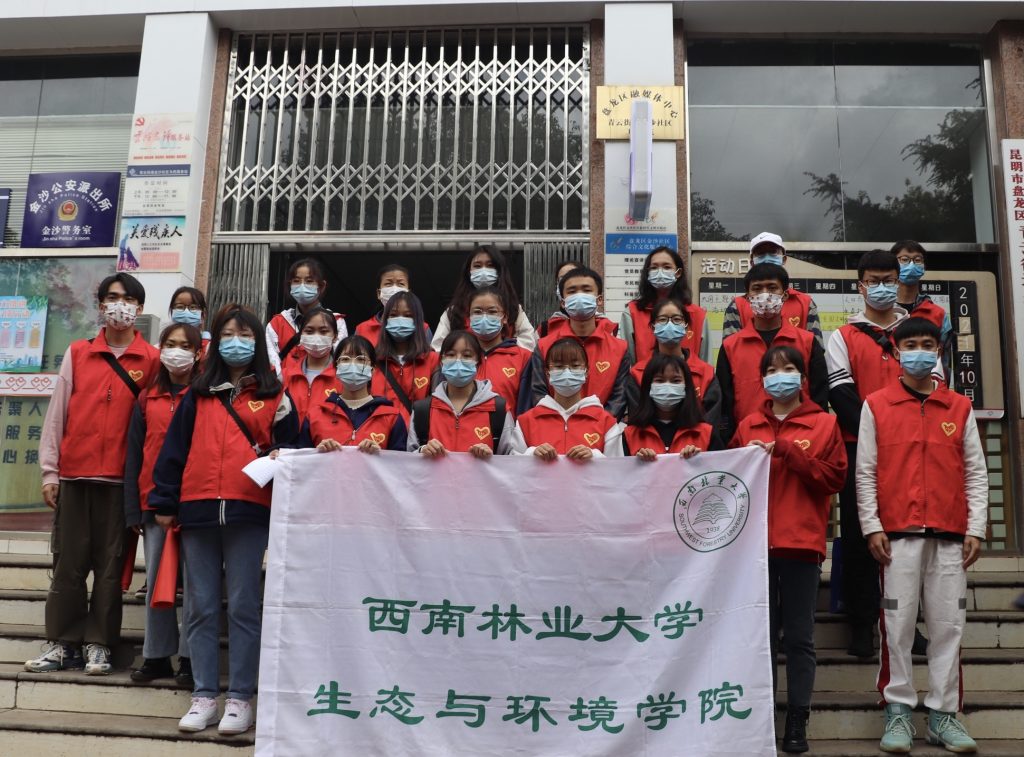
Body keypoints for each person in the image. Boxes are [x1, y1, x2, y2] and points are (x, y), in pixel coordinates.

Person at [149, 305, 299, 735]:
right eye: (228, 334)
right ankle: (203, 696)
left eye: (245, 335)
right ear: (216, 342)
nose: (237, 342)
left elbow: (295, 449)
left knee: (244, 606)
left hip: (249, 512)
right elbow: (173, 451)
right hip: (196, 510)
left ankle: (240, 698)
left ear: (257, 343)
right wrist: (164, 501)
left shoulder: (276, 395)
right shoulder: (197, 394)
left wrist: (283, 455)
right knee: (199, 607)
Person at [857, 317, 987, 754]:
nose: (919, 351)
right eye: (910, 344)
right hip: (897, 537)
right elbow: (865, 472)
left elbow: (975, 472)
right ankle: (897, 712)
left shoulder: (959, 407)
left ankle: (943, 716)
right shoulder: (876, 405)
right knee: (896, 627)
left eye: (927, 344)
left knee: (948, 626)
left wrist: (976, 527)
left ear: (939, 350)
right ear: (896, 351)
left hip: (950, 536)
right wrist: (872, 525)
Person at [28, 273, 160, 676]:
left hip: (120, 482)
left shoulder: (152, 360)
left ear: (139, 308)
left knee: (109, 568)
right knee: (68, 564)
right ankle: (62, 642)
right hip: (75, 476)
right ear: (100, 305)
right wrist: (50, 471)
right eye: (113, 297)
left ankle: (99, 644)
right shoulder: (79, 352)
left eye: (129, 299)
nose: (120, 305)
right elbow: (57, 414)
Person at [731, 345, 847, 754]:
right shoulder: (747, 425)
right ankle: (763, 717)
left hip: (801, 545)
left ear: (803, 377)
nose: (780, 376)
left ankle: (798, 718)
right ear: (762, 379)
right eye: (772, 370)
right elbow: (728, 481)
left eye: (789, 368)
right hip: (753, 552)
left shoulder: (825, 424)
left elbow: (833, 479)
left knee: (799, 638)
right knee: (760, 639)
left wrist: (789, 452)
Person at [826, 249, 919, 659]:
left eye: (888, 279)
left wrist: (899, 435)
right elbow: (840, 393)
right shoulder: (843, 336)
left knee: (908, 539)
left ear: (899, 282)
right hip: (856, 449)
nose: (881, 287)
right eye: (873, 280)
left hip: (910, 451)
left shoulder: (915, 334)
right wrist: (877, 434)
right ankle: (862, 625)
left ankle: (908, 626)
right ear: (860, 286)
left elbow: (930, 387)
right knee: (860, 536)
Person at [123, 322, 202, 687]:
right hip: (153, 503)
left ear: (198, 352)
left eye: (185, 345)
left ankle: (190, 657)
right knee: (156, 581)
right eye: (170, 344)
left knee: (195, 584)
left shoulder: (205, 396)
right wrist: (134, 508)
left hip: (195, 502)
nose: (176, 351)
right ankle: (156, 656)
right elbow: (134, 455)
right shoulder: (146, 397)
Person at [715, 263, 827, 443]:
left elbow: (820, 394)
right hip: (748, 442)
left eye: (772, 287)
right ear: (747, 297)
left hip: (802, 441)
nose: (765, 294)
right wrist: (731, 442)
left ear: (785, 295)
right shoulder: (730, 346)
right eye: (757, 288)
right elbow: (725, 403)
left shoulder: (807, 341)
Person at [530, 266, 635, 421]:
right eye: (572, 291)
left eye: (586, 290)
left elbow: (619, 398)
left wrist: (597, 426)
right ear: (563, 302)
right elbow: (538, 393)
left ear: (599, 299)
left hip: (601, 430)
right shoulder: (544, 346)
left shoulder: (619, 348)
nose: (579, 296)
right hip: (555, 428)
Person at [511, 337, 624, 458]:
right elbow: (512, 465)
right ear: (548, 373)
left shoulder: (606, 422)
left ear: (586, 372)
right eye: (559, 366)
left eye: (575, 366)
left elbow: (617, 466)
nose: (567, 372)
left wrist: (595, 457)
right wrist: (531, 454)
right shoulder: (526, 422)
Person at [409, 330, 514, 457]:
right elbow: (407, 460)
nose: (458, 361)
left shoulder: (498, 409)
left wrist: (490, 458)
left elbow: (511, 460)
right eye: (451, 355)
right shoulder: (422, 410)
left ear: (478, 363)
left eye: (467, 356)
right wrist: (422, 451)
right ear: (441, 361)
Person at [629, 298, 722, 431]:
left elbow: (711, 423)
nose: (670, 324)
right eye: (662, 319)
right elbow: (637, 420)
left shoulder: (706, 373)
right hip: (650, 442)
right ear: (653, 326)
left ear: (686, 326)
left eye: (677, 319)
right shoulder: (638, 373)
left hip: (696, 442)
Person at [305, 335, 408, 453]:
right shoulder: (315, 415)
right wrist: (318, 453)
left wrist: (381, 456)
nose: (352, 365)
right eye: (345, 359)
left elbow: (400, 461)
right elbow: (299, 459)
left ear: (373, 369)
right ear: (336, 368)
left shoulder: (391, 417)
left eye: (361, 360)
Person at [721, 232, 823, 345]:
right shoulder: (736, 306)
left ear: (784, 259)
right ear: (752, 262)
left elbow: (815, 349)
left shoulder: (806, 303)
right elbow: (730, 349)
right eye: (761, 253)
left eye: (773, 252)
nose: (767, 258)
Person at [431, 244, 536, 351]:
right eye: (477, 266)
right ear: (468, 272)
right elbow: (438, 348)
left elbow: (529, 343)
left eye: (490, 265)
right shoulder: (454, 311)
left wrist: (502, 350)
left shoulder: (513, 308)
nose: (484, 271)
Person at [619, 245, 710, 364]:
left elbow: (706, 364)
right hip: (643, 376)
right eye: (654, 268)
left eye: (667, 267)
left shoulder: (698, 315)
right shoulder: (632, 313)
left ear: (678, 273)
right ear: (647, 273)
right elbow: (627, 363)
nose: (660, 272)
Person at [623, 353, 718, 458]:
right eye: (659, 380)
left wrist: (699, 462)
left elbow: (720, 466)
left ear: (686, 387)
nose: (667, 386)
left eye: (676, 381)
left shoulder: (706, 433)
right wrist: (638, 464)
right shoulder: (630, 435)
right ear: (648, 387)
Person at [266, 258, 347, 376]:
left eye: (309, 281)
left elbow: (340, 359)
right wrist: (283, 382)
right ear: (290, 285)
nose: (302, 286)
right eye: (296, 281)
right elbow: (271, 359)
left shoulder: (337, 322)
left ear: (321, 286)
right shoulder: (277, 323)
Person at [368, 291, 440, 423]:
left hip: (417, 433)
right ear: (385, 320)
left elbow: (437, 407)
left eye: (408, 315)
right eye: (393, 315)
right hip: (378, 433)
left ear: (418, 321)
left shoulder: (433, 360)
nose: (400, 320)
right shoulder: (371, 360)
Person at [891, 239, 954, 380]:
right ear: (893, 266)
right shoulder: (883, 311)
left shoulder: (938, 314)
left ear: (924, 267)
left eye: (917, 260)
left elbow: (944, 362)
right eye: (904, 259)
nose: (911, 265)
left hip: (928, 389)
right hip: (889, 390)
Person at [468, 286, 535, 417]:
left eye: (492, 311)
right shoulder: (458, 356)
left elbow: (526, 407)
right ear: (469, 317)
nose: (484, 317)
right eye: (477, 312)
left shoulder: (523, 357)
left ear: (504, 318)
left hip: (509, 429)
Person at [280, 306, 342, 423]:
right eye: (309, 331)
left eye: (323, 331)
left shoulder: (343, 377)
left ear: (335, 336)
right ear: (301, 335)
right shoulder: (286, 376)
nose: (316, 337)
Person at [354, 263, 431, 346]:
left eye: (401, 284)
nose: (394, 289)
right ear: (379, 293)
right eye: (388, 284)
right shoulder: (362, 329)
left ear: (409, 293)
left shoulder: (423, 329)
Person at [536, 259, 583, 338]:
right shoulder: (545, 329)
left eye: (573, 277)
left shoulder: (603, 325)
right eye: (562, 279)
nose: (569, 284)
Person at [169, 286, 210, 353]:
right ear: (172, 311)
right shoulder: (162, 346)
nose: (186, 312)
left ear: (203, 314)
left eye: (193, 307)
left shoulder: (209, 348)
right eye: (180, 307)